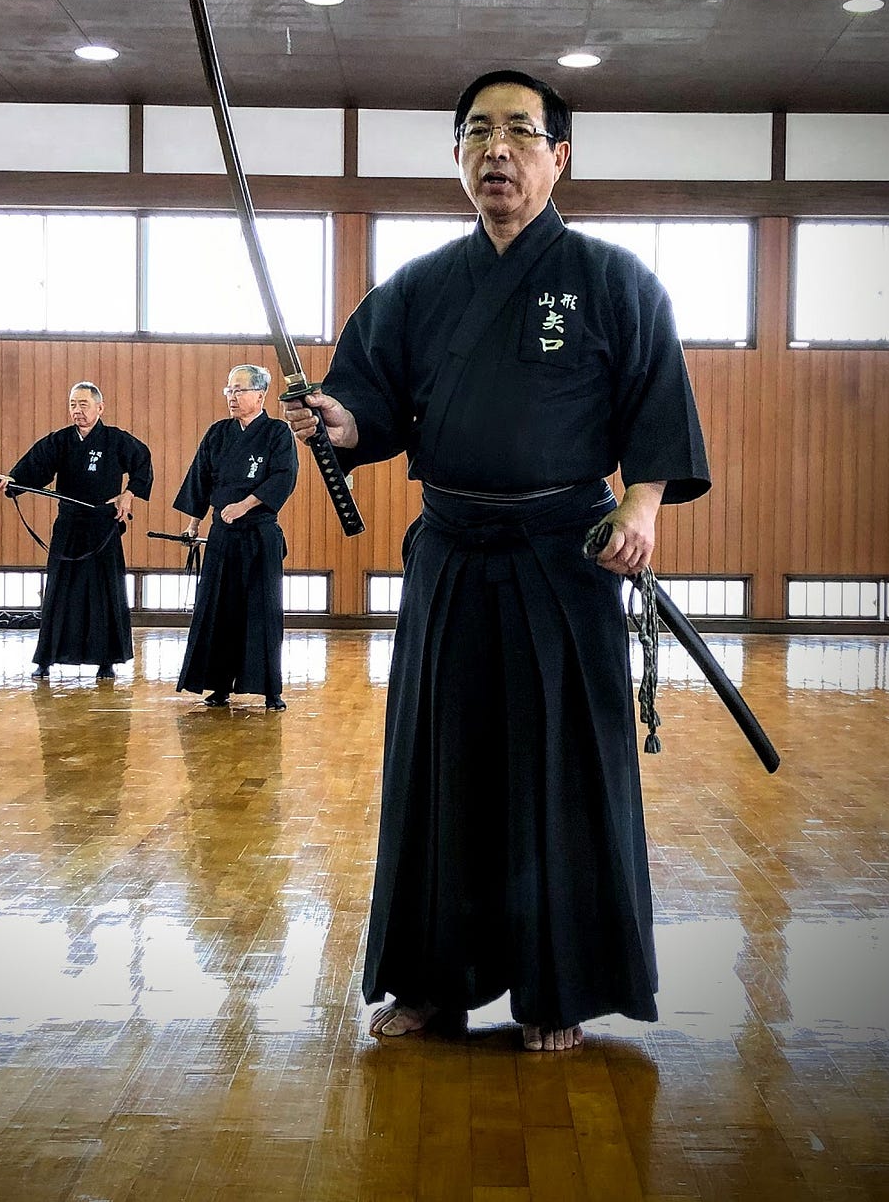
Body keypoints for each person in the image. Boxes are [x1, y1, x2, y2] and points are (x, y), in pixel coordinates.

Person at [283, 70, 710, 1052]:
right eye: (478, 133)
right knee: (444, 770)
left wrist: (639, 509)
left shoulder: (615, 281)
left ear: (559, 155)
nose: (498, 151)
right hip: (453, 558)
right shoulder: (420, 288)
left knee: (559, 774)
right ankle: (434, 981)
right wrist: (337, 419)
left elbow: (657, 417)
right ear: (457, 158)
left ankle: (553, 985)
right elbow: (367, 410)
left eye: (521, 132)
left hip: (566, 559)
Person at [0, 381, 152, 680]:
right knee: (60, 591)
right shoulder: (60, 441)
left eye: (84, 404)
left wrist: (129, 494)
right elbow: (34, 468)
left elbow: (142, 461)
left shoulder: (116, 440)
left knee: (106, 591)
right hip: (69, 527)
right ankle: (46, 658)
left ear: (100, 408)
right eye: (73, 405)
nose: (77, 410)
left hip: (103, 525)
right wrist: (11, 479)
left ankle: (107, 660)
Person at [174, 364, 299, 711]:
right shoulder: (218, 433)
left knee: (263, 611)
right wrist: (194, 524)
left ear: (260, 395)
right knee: (217, 610)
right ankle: (217, 686)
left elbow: (283, 476)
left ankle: (270, 690)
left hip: (259, 534)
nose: (232, 396)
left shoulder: (277, 433)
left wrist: (244, 505)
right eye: (229, 390)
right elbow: (199, 480)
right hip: (222, 537)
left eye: (239, 390)